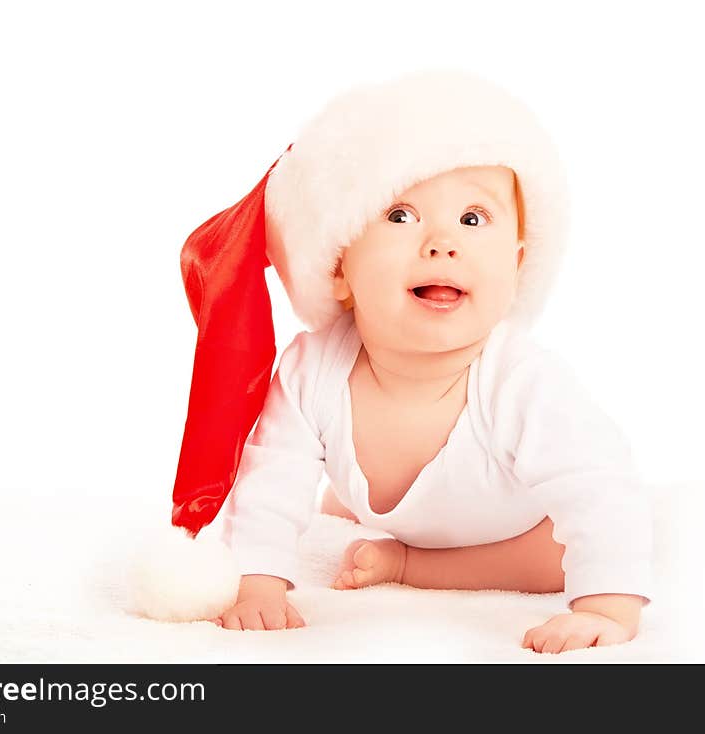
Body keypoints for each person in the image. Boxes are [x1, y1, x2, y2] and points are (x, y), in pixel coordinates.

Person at [160, 69, 654, 655]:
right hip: (435, 505)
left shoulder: (522, 382)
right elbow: (269, 480)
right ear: (338, 264)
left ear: (519, 264)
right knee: (298, 479)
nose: (443, 243)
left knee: (559, 555)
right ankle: (379, 512)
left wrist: (608, 607)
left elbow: (597, 486)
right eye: (400, 215)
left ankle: (413, 562)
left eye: (474, 219)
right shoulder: (311, 370)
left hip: (524, 524)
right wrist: (258, 584)